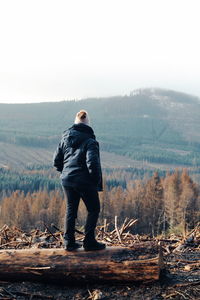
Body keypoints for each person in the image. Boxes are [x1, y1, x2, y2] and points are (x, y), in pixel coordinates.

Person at [53, 110, 106, 251]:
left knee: (71, 210)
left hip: (67, 180)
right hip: (84, 181)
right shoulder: (90, 141)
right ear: (88, 123)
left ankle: (68, 242)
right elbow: (92, 164)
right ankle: (89, 242)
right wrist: (94, 181)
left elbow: (56, 161)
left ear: (75, 122)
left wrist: (65, 172)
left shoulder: (65, 138)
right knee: (94, 209)